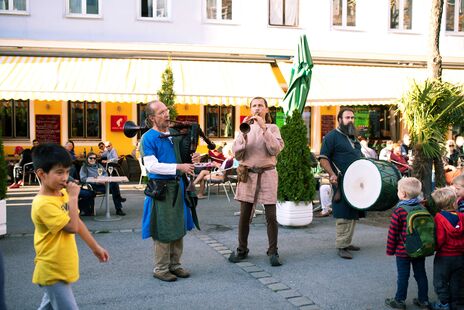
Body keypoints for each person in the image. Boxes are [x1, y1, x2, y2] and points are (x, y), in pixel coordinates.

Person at [31, 143, 109, 309]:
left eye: (67, 171)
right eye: (59, 172)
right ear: (41, 174)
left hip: (62, 265)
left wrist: (95, 247)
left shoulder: (61, 193)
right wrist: (73, 198)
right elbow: (72, 227)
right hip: (52, 269)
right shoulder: (43, 204)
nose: (65, 177)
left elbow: (77, 222)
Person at [140, 100, 200, 282]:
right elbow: (152, 167)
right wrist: (178, 166)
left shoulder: (174, 134)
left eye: (166, 110)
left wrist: (194, 158)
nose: (167, 114)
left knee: (178, 227)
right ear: (151, 118)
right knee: (163, 230)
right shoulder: (147, 138)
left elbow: (184, 158)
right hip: (162, 190)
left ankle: (175, 265)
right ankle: (161, 268)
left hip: (178, 186)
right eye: (161, 112)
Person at [228, 97, 284, 266]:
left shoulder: (273, 128)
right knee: (244, 216)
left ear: (266, 109)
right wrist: (243, 135)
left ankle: (273, 251)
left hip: (267, 174)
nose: (257, 108)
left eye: (261, 105)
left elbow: (275, 149)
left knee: (271, 216)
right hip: (248, 175)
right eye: (254, 106)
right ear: (250, 109)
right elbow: (237, 154)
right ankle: (242, 249)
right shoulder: (244, 128)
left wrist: (263, 128)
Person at [318, 108, 364, 259]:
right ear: (339, 119)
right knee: (343, 212)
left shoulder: (352, 137)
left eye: (352, 117)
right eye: (347, 117)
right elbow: (323, 158)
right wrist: (331, 174)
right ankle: (341, 245)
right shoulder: (332, 136)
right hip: (341, 179)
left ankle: (347, 241)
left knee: (353, 211)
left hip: (356, 180)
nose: (350, 120)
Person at [385, 177, 431, 309]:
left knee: (403, 276)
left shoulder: (399, 211)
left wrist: (390, 250)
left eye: (398, 190)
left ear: (403, 194)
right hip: (419, 249)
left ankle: (399, 300)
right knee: (421, 274)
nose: (397, 192)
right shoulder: (422, 208)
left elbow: (393, 233)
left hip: (402, 251)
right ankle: (424, 301)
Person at [430, 187, 464, 310]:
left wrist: (434, 248)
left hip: (444, 257)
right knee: (458, 282)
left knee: (440, 281)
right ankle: (458, 304)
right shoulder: (461, 216)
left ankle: (444, 303)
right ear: (454, 202)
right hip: (460, 256)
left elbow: (440, 238)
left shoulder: (439, 218)